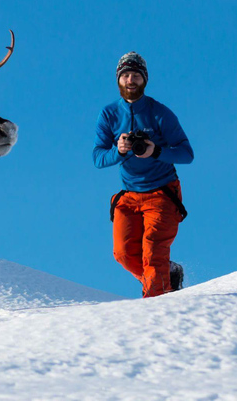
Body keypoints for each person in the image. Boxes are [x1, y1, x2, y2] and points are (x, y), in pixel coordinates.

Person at [93, 51, 194, 297]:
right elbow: (97, 158)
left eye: (136, 75)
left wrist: (156, 150)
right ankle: (166, 275)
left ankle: (156, 311)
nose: (130, 80)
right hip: (129, 195)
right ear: (118, 80)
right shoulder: (109, 114)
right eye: (125, 75)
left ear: (144, 80)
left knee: (153, 253)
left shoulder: (160, 113)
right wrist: (118, 151)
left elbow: (186, 153)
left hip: (162, 193)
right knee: (124, 254)